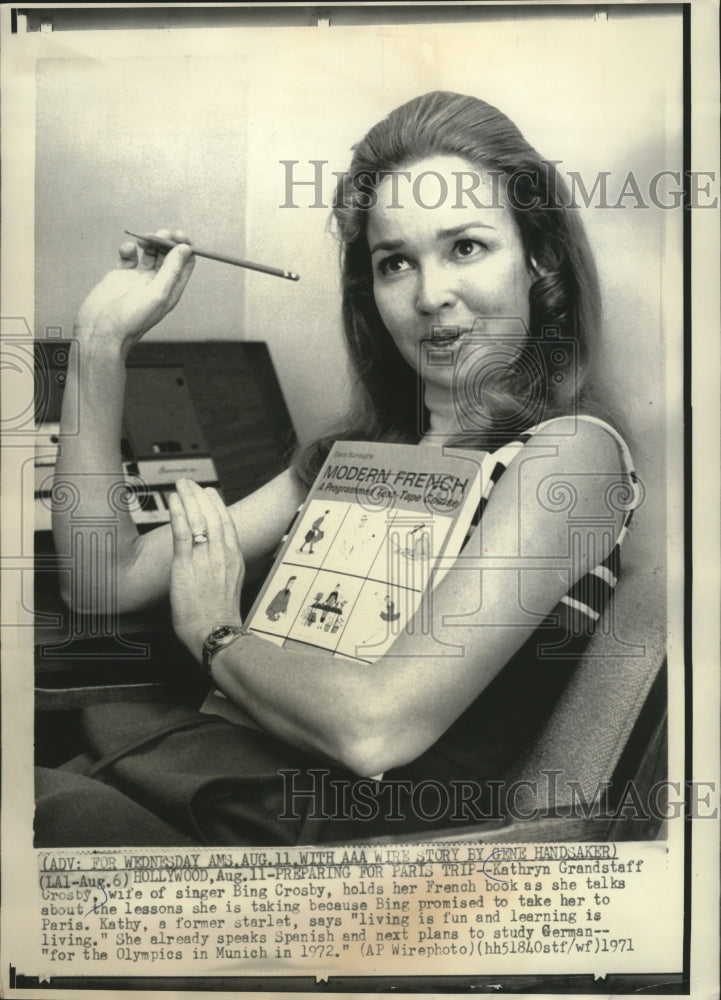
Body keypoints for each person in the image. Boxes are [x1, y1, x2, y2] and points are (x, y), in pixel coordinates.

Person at [35, 91, 638, 847]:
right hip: (214, 782)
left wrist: (215, 630)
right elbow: (100, 576)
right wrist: (98, 344)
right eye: (395, 263)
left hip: (329, 854)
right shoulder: (351, 455)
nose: (430, 296)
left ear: (539, 259)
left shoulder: (569, 453)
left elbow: (374, 730)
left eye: (466, 247)